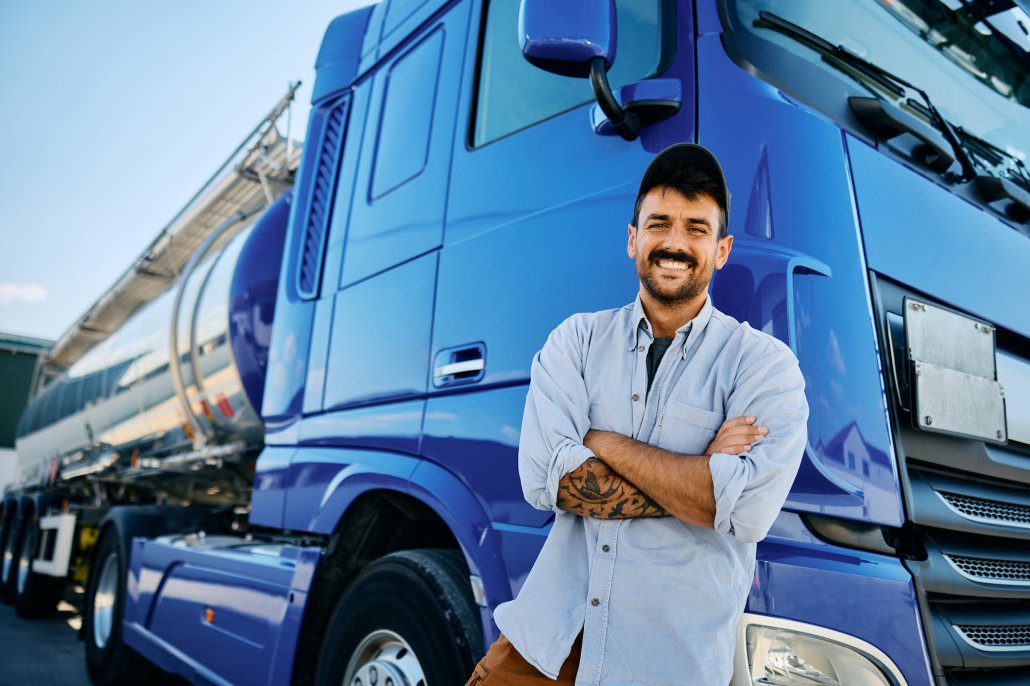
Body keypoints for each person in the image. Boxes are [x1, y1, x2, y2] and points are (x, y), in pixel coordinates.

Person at [465, 144, 809, 685]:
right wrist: (699, 478)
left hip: (665, 666)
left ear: (722, 251)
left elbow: (747, 511)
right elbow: (542, 479)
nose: (675, 243)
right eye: (659, 224)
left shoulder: (764, 366)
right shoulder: (575, 341)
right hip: (541, 648)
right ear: (633, 239)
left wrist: (602, 442)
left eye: (697, 228)